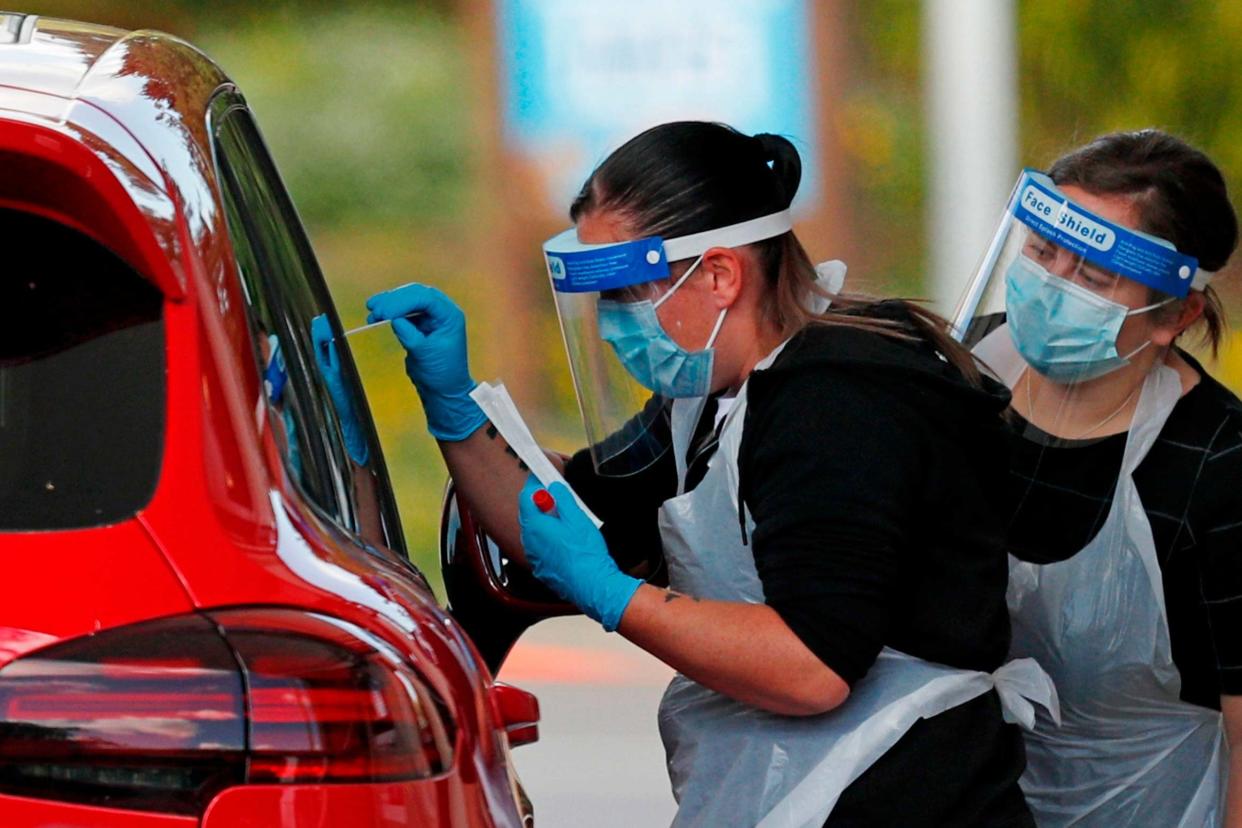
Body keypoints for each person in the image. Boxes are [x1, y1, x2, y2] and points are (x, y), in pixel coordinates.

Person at [368, 121, 1054, 826]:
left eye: (627, 294)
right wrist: (453, 408)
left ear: (722, 274)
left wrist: (613, 596)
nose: (610, 325)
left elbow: (811, 667)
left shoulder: (840, 404)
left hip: (908, 794)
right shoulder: (710, 392)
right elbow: (562, 520)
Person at [953, 129, 1242, 826]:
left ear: (1175, 314)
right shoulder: (957, 377)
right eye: (1043, 253)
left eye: (1093, 276)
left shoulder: (1220, 461)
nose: (1053, 286)